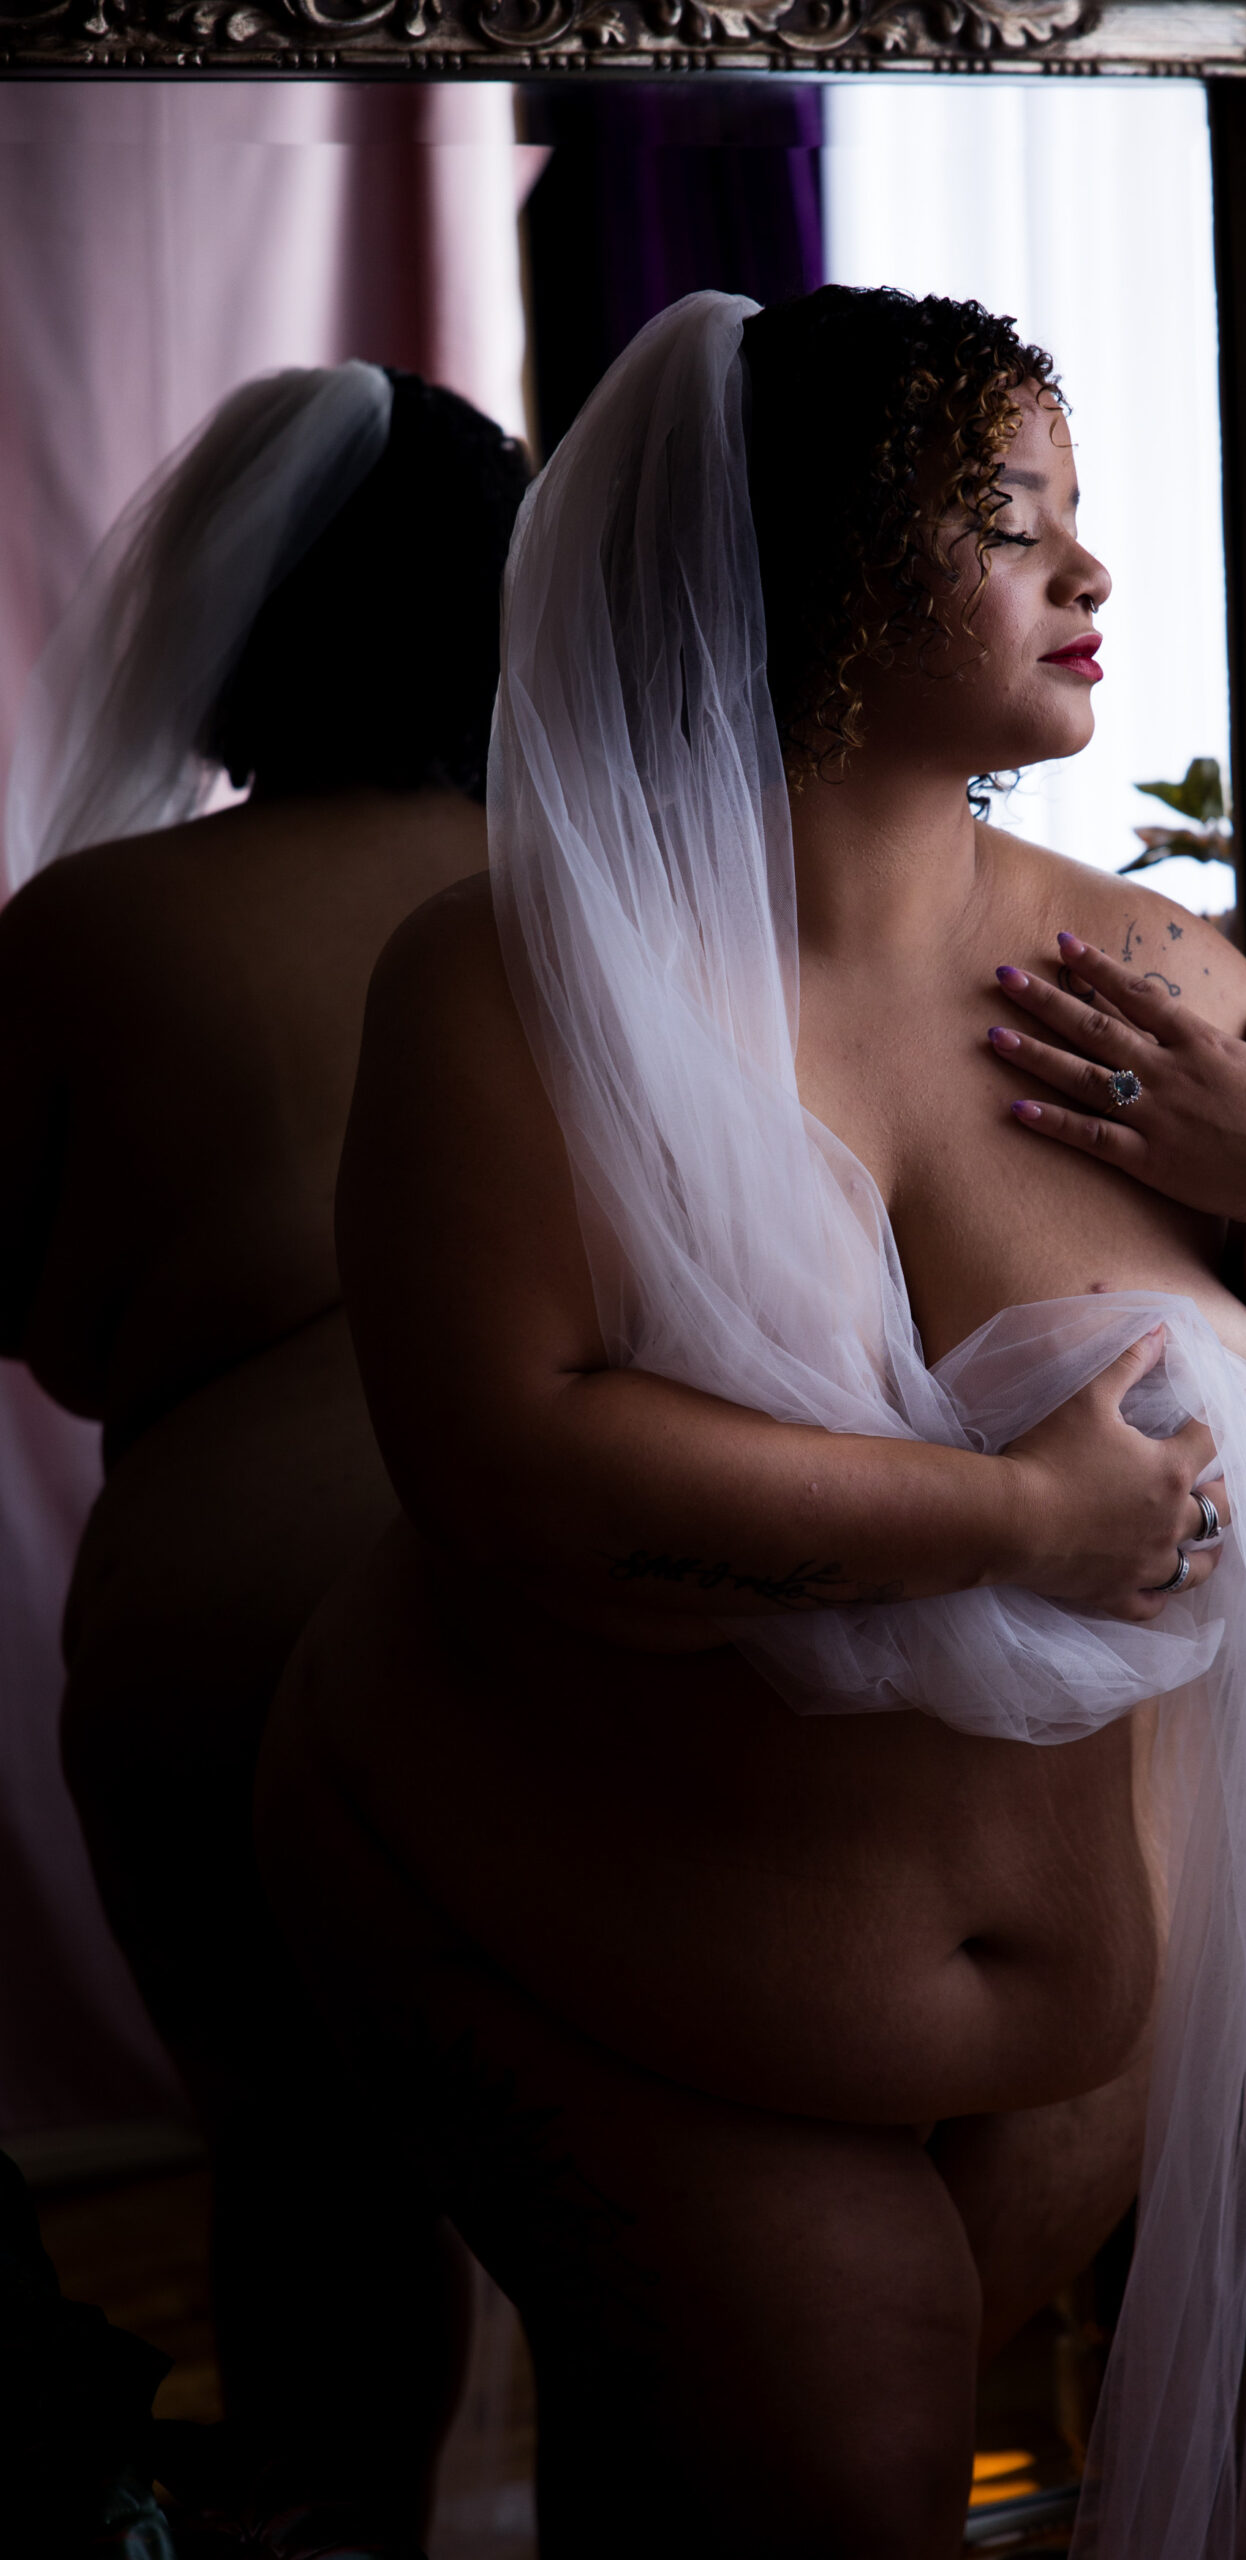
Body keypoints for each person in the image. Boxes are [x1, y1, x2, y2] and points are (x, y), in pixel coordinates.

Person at [258, 288, 1246, 2560]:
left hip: (1075, 2011)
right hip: (591, 1936)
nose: (1088, 578)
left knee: (711, 2489)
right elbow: (506, 1466)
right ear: (809, 574)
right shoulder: (510, 977)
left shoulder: (1151, 984)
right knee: (833, 2468)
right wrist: (1015, 1514)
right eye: (1012, 524)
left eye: (1080, 524)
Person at [0, 363, 530, 2547]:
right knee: (637, 2164)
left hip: (212, 1635)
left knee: (304, 2170)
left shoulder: (89, 932)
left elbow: (34, 1320)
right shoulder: (601, 892)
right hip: (563, 1597)